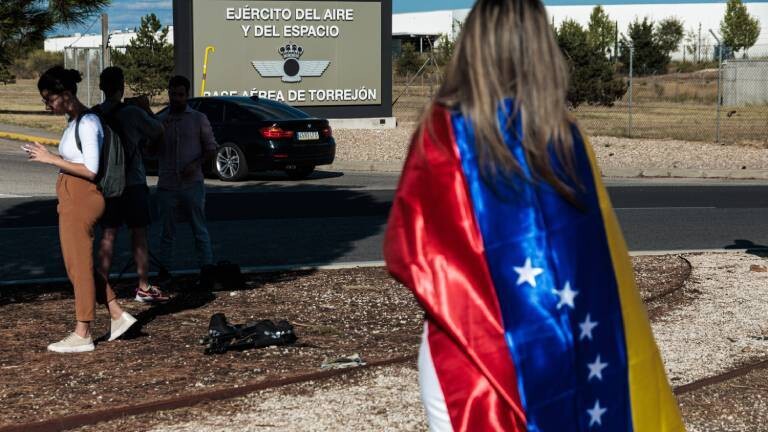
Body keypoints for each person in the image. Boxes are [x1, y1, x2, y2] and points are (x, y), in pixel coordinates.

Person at [383, 1, 685, 431]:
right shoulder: (566, 137)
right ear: (541, 49)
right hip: (569, 340)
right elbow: (596, 258)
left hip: (469, 347)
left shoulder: (443, 131)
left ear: (472, 45)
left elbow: (408, 251)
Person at [25, 66, 136, 353]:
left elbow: (91, 169)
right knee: (79, 265)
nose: (47, 105)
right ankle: (117, 314)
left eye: (49, 99)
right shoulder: (75, 122)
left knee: (80, 267)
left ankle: (83, 332)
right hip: (72, 197)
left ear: (65, 95)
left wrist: (50, 159)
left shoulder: (88, 123)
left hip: (82, 198)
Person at [94, 66, 169, 303]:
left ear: (101, 87)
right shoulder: (133, 113)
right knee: (139, 234)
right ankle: (143, 285)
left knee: (107, 235)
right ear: (122, 86)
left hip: (107, 183)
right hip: (133, 181)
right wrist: (146, 107)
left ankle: (101, 283)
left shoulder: (94, 114)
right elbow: (158, 130)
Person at [155, 75, 217, 273]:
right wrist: (157, 134)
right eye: (173, 94)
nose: (176, 98)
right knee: (167, 232)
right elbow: (148, 150)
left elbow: (211, 149)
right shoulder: (161, 120)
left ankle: (206, 269)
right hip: (167, 184)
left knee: (199, 229)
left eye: (180, 95)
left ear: (187, 95)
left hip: (192, 184)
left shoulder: (199, 119)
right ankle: (164, 270)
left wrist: (196, 165)